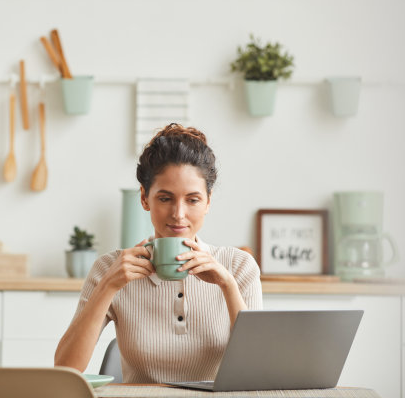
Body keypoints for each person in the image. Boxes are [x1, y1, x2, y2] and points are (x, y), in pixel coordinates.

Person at [54, 123, 263, 383]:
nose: (178, 214)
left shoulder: (239, 266)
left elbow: (259, 371)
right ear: (144, 198)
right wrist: (109, 285)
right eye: (165, 198)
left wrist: (227, 284)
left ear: (208, 201)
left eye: (193, 199)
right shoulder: (110, 267)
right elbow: (65, 369)